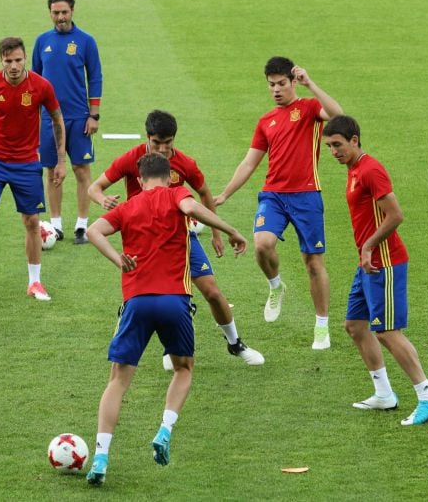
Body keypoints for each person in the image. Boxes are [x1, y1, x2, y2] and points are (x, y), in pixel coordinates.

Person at [85, 152, 248, 486]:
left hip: (136, 302)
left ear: (141, 180)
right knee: (183, 369)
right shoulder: (177, 194)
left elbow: (93, 231)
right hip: (175, 301)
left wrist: (119, 259)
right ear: (170, 175)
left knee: (118, 380)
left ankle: (101, 455)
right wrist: (229, 229)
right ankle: (164, 429)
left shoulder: (128, 206)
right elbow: (191, 209)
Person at [88, 110, 264, 367]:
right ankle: (165, 343)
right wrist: (102, 199)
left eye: (167, 143)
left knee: (212, 291)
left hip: (180, 240)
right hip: (144, 241)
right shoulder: (131, 159)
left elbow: (204, 194)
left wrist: (216, 234)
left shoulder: (184, 164)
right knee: (152, 297)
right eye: (156, 142)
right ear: (147, 137)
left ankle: (235, 343)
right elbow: (95, 187)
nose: (161, 149)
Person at [322, 115, 428, 426]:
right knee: (354, 325)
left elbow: (395, 215)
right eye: (329, 147)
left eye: (338, 145)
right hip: (368, 264)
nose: (334, 151)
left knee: (388, 331)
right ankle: (384, 394)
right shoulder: (353, 170)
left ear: (354, 140)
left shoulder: (371, 170)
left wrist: (368, 246)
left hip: (384, 262)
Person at [215, 56, 343, 350]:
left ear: (292, 82)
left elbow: (337, 116)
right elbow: (249, 163)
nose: (276, 90)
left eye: (281, 84)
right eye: (271, 85)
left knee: (313, 263)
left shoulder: (309, 108)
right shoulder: (266, 121)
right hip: (273, 195)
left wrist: (310, 84)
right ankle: (276, 286)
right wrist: (225, 193)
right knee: (261, 244)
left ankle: (321, 325)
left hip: (307, 196)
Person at [0, 37, 67, 304]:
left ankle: (34, 282)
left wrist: (60, 160)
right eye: (8, 61)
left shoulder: (41, 86)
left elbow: (58, 119)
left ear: (25, 59)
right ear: (1, 60)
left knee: (33, 223)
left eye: (18, 60)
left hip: (26, 163)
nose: (14, 66)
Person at [32, 0, 103, 244]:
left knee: (81, 169)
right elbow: (34, 80)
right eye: (55, 13)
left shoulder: (86, 41)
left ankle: (82, 226)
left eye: (64, 12)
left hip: (78, 118)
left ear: (72, 11)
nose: (60, 17)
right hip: (48, 119)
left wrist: (93, 115)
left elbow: (95, 77)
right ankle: (56, 225)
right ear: (50, 13)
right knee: (51, 171)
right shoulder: (42, 42)